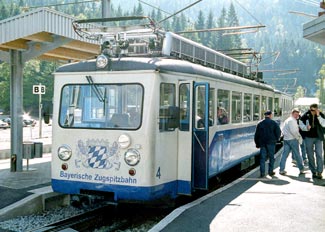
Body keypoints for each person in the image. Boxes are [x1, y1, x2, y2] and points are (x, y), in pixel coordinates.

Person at [300, 103, 325, 179]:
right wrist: (306, 127)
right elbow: (300, 124)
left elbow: (324, 124)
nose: (312, 112)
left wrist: (318, 116)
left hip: (318, 137)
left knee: (319, 155)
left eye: (314, 110)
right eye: (311, 110)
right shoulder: (305, 115)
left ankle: (319, 172)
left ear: (317, 109)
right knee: (310, 155)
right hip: (308, 137)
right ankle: (313, 171)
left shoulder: (321, 115)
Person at [254, 110, 281, 178]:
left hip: (263, 143)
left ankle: (262, 173)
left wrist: (257, 143)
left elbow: (256, 135)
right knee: (271, 157)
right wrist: (276, 139)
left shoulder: (260, 123)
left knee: (262, 158)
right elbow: (278, 132)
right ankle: (270, 172)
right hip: (271, 143)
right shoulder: (274, 123)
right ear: (270, 115)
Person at [279, 109, 305, 175]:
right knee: (297, 154)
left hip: (286, 139)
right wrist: (298, 138)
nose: (297, 116)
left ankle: (281, 169)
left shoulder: (287, 120)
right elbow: (294, 131)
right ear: (292, 113)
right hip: (293, 139)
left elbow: (283, 130)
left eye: (298, 115)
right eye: (295, 114)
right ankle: (301, 169)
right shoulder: (292, 121)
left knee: (284, 155)